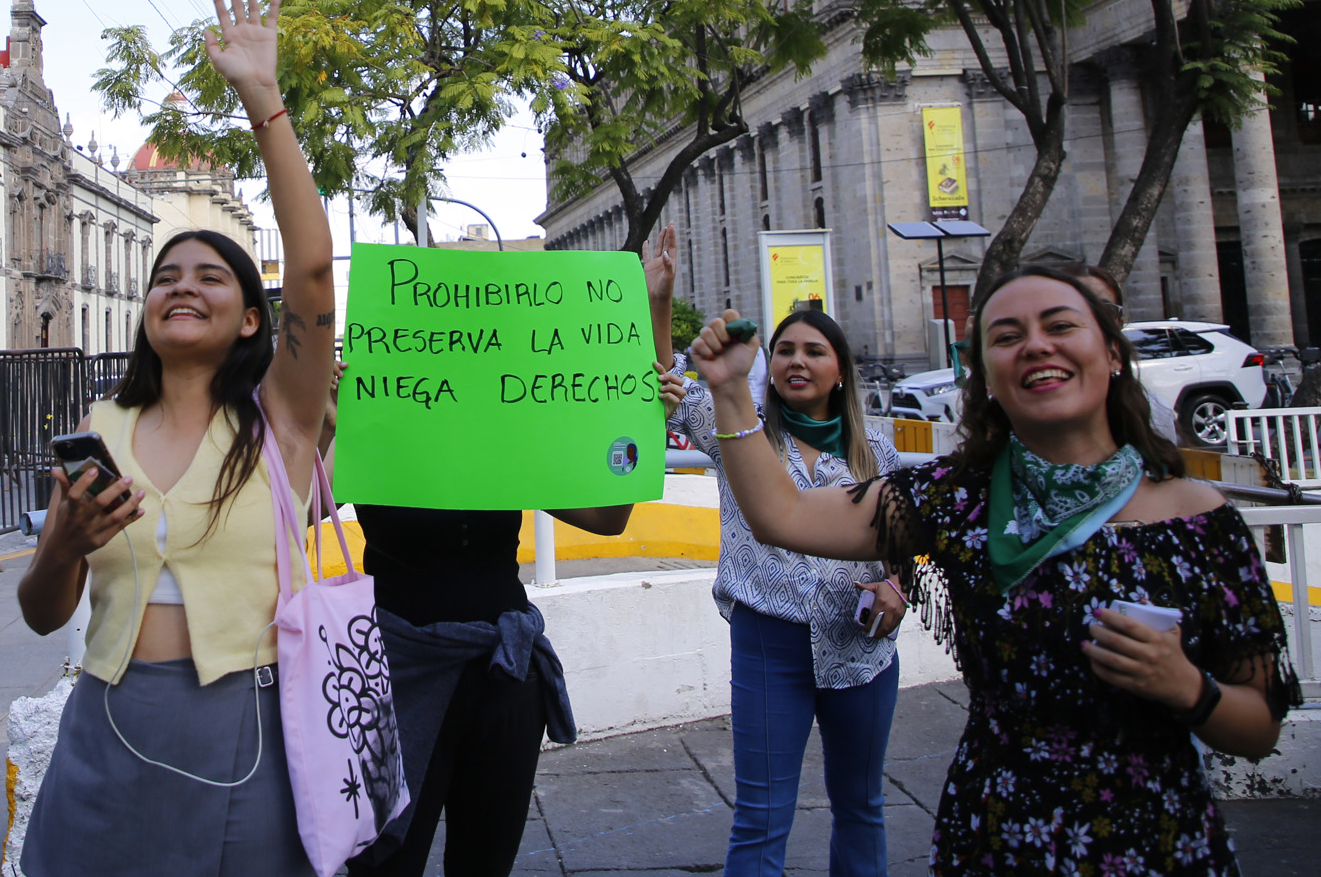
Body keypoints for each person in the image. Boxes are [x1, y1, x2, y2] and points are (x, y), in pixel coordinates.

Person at [688, 265, 1298, 874]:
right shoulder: (955, 503)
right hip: (996, 838)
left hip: (1154, 845)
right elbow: (783, 515)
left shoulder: (1200, 521)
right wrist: (732, 389)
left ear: (1112, 352)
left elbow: (1260, 727)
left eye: (1060, 325)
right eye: (1006, 336)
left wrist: (1189, 688)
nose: (1035, 344)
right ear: (987, 377)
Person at [15, 0, 336, 877]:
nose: (183, 285)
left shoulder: (281, 418)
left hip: (246, 726)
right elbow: (45, 616)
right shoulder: (99, 423)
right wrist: (62, 547)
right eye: (167, 276)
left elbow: (311, 271)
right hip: (104, 730)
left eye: (211, 276)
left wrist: (261, 99)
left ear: (247, 319)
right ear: (146, 309)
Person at [645, 225, 905, 877]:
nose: (796, 361)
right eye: (784, 349)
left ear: (839, 369)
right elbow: (668, 382)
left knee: (862, 805)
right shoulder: (735, 428)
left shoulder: (877, 447)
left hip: (862, 649)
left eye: (814, 351)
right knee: (761, 817)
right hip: (770, 646)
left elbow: (899, 540)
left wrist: (895, 586)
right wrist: (659, 299)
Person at [333, 350, 634, 877]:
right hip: (394, 681)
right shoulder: (377, 421)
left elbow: (609, 517)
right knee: (382, 862)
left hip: (503, 680)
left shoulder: (504, 436)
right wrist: (334, 415)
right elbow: (298, 506)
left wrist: (633, 413)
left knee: (486, 862)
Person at [1055, 263, 1180, 445]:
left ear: (1120, 323)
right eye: (1073, 309)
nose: (1091, 320)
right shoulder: (1024, 404)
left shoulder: (1152, 412)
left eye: (1105, 310)